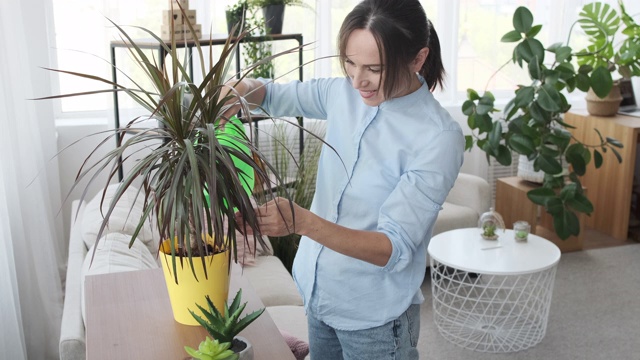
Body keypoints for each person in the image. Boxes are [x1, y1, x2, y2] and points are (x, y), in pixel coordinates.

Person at [230, 0, 464, 358]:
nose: (357, 81)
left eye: (374, 68)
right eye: (350, 63)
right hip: (319, 296)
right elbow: (272, 95)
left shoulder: (437, 138)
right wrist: (236, 91)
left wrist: (302, 221)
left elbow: (392, 248)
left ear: (417, 59)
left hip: (375, 319)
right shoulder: (344, 93)